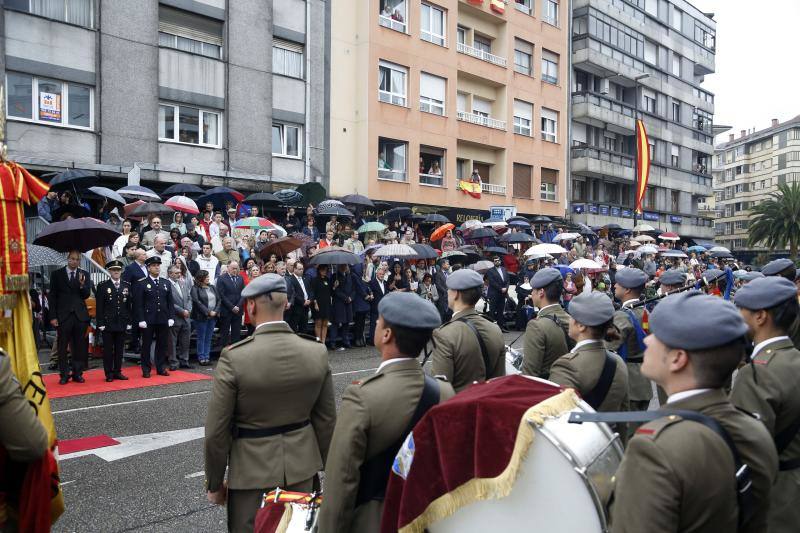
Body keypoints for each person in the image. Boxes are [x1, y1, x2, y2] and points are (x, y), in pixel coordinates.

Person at [609, 291, 778, 533]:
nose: (647, 341)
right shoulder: (754, 429)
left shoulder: (654, 448)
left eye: (658, 336)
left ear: (678, 359)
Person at [204, 274, 336, 533]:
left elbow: (216, 431)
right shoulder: (315, 351)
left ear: (250, 306)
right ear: (287, 303)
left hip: (252, 474)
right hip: (302, 470)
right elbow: (326, 421)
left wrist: (215, 483)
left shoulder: (235, 357)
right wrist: (332, 470)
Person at [318, 292, 455, 532]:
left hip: (377, 520)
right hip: (428, 517)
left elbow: (342, 479)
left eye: (379, 321)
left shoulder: (362, 396)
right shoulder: (444, 391)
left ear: (386, 334)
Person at [730, 276, 800, 532]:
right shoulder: (794, 358)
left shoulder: (757, 373)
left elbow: (744, 452)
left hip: (773, 494)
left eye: (741, 309)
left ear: (760, 317)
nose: (737, 315)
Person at [548, 292, 628, 412]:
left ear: (580, 325)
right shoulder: (618, 362)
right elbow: (624, 414)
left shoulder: (567, 366)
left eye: (572, 316)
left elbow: (555, 416)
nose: (569, 319)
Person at [429, 269, 505, 392]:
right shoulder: (494, 329)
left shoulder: (444, 334)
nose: (447, 293)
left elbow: (440, 389)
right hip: (489, 405)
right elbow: (499, 380)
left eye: (449, 289)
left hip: (459, 407)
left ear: (456, 294)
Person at [605, 267, 654, 417]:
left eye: (618, 283)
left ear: (627, 290)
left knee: (627, 435)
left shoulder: (623, 316)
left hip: (629, 384)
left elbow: (608, 346)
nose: (614, 285)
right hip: (643, 382)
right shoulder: (646, 311)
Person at [49, 250, 92, 384]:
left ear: (80, 261)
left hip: (80, 316)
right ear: (68, 259)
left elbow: (86, 295)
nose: (74, 261)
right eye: (72, 259)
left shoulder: (84, 274)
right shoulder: (56, 274)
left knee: (79, 346)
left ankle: (77, 373)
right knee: (62, 346)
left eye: (77, 259)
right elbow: (52, 297)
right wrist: (53, 316)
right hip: (63, 315)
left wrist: (81, 285)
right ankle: (64, 374)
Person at [522, 268, 571, 378]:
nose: (531, 293)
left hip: (548, 390)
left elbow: (530, 375)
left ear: (541, 292)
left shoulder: (536, 326)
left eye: (533, 290)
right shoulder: (570, 319)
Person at [133, 256, 175, 378]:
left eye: (158, 265)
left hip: (162, 318)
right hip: (148, 319)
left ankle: (160, 367)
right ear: (148, 267)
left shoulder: (165, 282)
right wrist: (141, 319)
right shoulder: (142, 283)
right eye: (154, 266)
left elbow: (170, 302)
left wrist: (171, 317)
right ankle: (146, 369)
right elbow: (139, 304)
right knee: (146, 345)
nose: (157, 267)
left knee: (162, 344)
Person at [95, 260, 131, 382]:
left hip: (121, 322)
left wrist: (129, 322)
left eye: (118, 270)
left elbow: (129, 306)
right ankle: (108, 373)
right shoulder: (103, 286)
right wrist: (100, 323)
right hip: (108, 323)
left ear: (121, 271)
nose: (116, 272)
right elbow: (99, 306)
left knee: (120, 349)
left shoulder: (126, 285)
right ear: (110, 271)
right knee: (108, 350)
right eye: (114, 270)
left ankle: (117, 371)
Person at [191, 270, 220, 366]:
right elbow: (197, 302)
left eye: (208, 277)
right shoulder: (195, 288)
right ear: (201, 278)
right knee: (201, 338)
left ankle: (207, 357)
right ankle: (201, 357)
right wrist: (208, 312)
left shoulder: (212, 287)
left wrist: (215, 311)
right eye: (206, 277)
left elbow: (219, 299)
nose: (208, 278)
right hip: (201, 317)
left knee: (209, 337)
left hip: (213, 316)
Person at [168, 264, 194, 370]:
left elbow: (189, 298)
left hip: (186, 317)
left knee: (185, 340)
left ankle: (184, 360)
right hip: (175, 317)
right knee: (172, 342)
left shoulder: (183, 283)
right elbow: (169, 302)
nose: (179, 274)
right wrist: (181, 311)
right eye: (176, 273)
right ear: (170, 274)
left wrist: (188, 310)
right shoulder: (166, 284)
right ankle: (173, 362)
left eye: (179, 272)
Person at [216, 260, 244, 349]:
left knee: (236, 333)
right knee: (225, 333)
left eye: (236, 268)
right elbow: (221, 295)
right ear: (228, 268)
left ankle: (235, 352)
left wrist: (238, 306)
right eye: (233, 268)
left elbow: (243, 294)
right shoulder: (221, 278)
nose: (235, 270)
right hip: (226, 310)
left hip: (238, 311)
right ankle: (224, 352)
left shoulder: (240, 278)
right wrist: (232, 307)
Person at [330, 264, 355, 350]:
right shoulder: (334, 276)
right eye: (343, 265)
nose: (345, 267)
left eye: (346, 265)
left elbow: (353, 289)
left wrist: (351, 297)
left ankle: (346, 341)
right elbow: (335, 291)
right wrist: (345, 298)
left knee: (346, 323)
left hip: (348, 302)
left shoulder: (349, 276)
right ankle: (332, 342)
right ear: (339, 266)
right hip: (339, 303)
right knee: (335, 323)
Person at [287, 261, 313, 333]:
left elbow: (310, 290)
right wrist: (303, 301)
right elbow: (293, 293)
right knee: (294, 328)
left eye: (302, 269)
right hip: (296, 308)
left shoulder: (306, 278)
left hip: (306, 307)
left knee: (304, 328)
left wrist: (310, 300)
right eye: (299, 269)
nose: (301, 270)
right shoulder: (290, 279)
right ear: (294, 269)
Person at [485, 256, 510, 329]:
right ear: (493, 262)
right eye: (495, 261)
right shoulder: (490, 271)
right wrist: (501, 288)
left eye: (498, 260)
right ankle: (492, 328)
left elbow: (508, 280)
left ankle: (501, 327)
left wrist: (506, 288)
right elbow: (492, 282)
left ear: (500, 261)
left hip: (503, 293)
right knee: (492, 311)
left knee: (501, 311)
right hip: (494, 293)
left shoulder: (504, 269)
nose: (497, 262)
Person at [367, 264, 388, 345]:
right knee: (374, 324)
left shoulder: (385, 283)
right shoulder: (372, 283)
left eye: (383, 274)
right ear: (376, 274)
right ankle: (372, 341)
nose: (381, 275)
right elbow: (369, 291)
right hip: (375, 306)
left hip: (383, 307)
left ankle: (381, 340)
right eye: (380, 274)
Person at [312, 264, 332, 345]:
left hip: (326, 304)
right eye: (323, 270)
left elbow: (330, 291)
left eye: (326, 270)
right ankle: (318, 341)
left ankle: (323, 342)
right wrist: (315, 303)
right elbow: (313, 293)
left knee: (325, 324)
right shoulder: (315, 280)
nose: (325, 271)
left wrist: (334, 286)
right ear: (319, 270)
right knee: (318, 323)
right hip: (318, 304)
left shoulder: (327, 279)